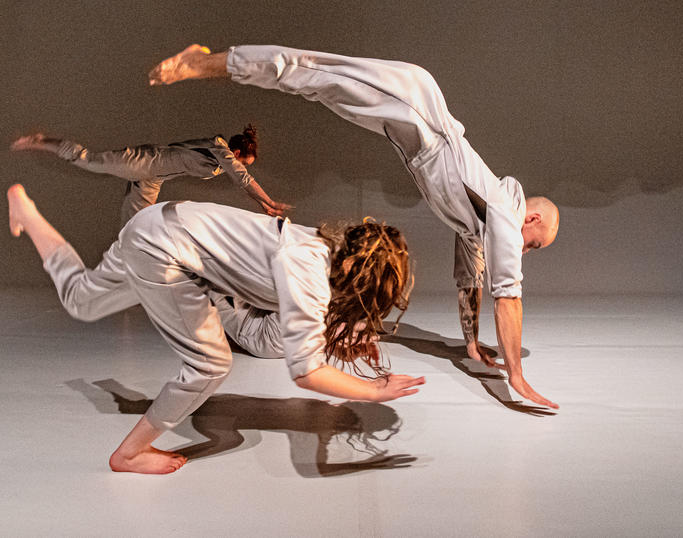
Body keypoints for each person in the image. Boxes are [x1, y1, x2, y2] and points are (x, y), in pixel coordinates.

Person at [148, 44, 560, 409]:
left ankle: (208, 63)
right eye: (533, 245)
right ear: (533, 218)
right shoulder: (506, 216)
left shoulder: (485, 217)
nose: (523, 252)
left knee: (308, 77)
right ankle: (203, 63)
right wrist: (516, 377)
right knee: (306, 72)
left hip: (409, 121)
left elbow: (471, 276)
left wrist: (470, 341)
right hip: (414, 104)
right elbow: (508, 297)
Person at [7, 183, 424, 474]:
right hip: (164, 250)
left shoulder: (319, 248)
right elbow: (306, 372)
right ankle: (129, 455)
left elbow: (307, 327)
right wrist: (372, 391)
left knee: (81, 300)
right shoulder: (307, 270)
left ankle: (27, 211)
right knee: (210, 365)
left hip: (157, 225)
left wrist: (347, 341)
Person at [11, 124, 292, 224]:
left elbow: (240, 175)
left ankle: (125, 280)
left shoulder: (220, 158)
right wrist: (267, 202)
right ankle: (41, 141)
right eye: (245, 162)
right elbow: (243, 178)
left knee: (137, 225)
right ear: (238, 154)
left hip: (154, 177)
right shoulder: (221, 149)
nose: (243, 166)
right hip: (145, 161)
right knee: (90, 161)